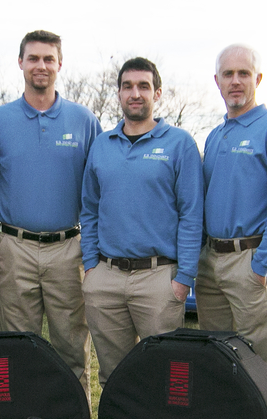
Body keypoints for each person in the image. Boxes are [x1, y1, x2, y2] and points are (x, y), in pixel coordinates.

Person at [0, 30, 100, 400]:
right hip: (15, 248)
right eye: (33, 58)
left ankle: (74, 409)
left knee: (71, 346)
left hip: (69, 248)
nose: (41, 66)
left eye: (49, 59)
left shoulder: (83, 120)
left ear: (60, 64)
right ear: (20, 63)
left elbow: (98, 190)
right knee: (17, 346)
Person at [196, 44, 267, 416]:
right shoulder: (215, 136)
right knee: (220, 354)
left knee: (264, 358)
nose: (236, 81)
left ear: (258, 79)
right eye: (228, 74)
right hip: (211, 263)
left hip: (251, 261)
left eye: (244, 74)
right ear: (217, 81)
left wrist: (262, 265)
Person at [80, 57, 202, 387]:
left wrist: (184, 277)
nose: (135, 93)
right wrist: (91, 266)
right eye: (128, 86)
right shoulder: (101, 146)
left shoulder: (180, 144)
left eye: (143, 86)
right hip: (105, 278)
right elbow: (89, 210)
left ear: (157, 93)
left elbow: (191, 214)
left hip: (159, 278)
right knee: (115, 377)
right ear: (118, 93)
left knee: (164, 376)